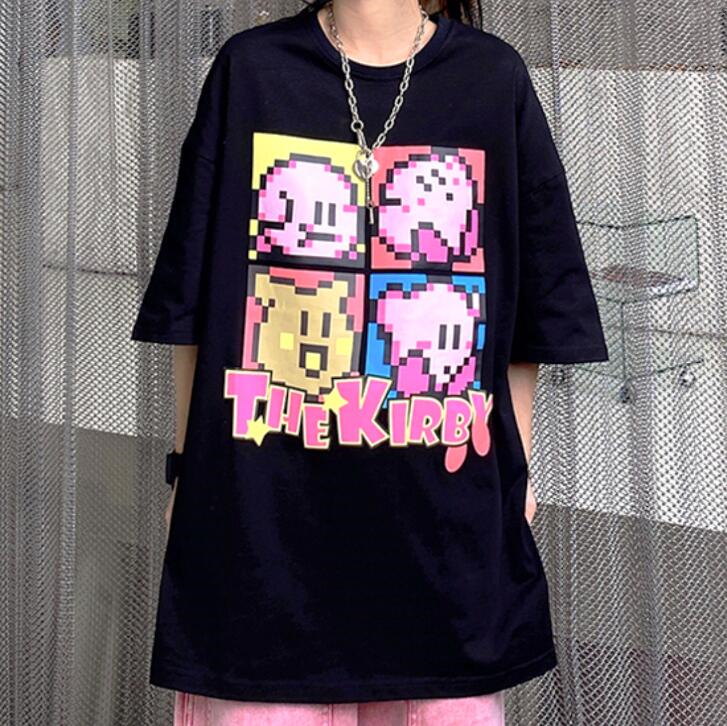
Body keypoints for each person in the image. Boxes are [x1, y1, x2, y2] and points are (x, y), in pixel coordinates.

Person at [130, 1, 609, 724]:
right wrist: (183, 468)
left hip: (442, 542)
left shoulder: (491, 79)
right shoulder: (251, 71)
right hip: (266, 535)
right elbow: (194, 301)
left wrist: (519, 475)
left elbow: (531, 308)